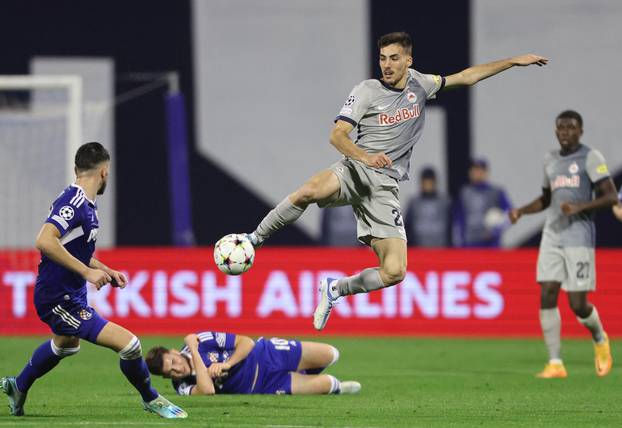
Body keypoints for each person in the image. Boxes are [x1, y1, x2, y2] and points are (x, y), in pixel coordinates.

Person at [244, 31, 547, 331]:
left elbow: (466, 77)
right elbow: (337, 135)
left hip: (386, 186)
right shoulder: (366, 90)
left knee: (394, 272)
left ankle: (336, 289)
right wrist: (365, 157)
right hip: (357, 170)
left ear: (408, 61)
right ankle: (252, 239)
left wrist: (513, 62)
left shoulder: (422, 84)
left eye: (394, 58)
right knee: (309, 190)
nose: (386, 65)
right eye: (382, 58)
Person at [0, 143, 186, 418]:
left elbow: (74, 250)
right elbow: (44, 240)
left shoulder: (88, 206)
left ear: (77, 169)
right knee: (130, 344)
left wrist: (105, 269)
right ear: (104, 172)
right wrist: (88, 273)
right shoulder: (73, 202)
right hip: (58, 298)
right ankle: (151, 398)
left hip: (71, 293)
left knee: (66, 344)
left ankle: (19, 385)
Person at [509, 110, 618, 378]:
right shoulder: (551, 159)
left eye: (571, 128)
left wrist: (581, 206)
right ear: (556, 131)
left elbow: (611, 197)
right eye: (561, 128)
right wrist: (521, 211)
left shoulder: (591, 157)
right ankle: (555, 363)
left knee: (578, 304)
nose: (565, 132)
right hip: (553, 234)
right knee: (547, 293)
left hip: (578, 237)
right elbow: (546, 199)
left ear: (580, 131)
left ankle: (600, 338)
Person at [145, 331, 361, 396]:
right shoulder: (182, 386)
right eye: (171, 371)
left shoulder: (204, 340)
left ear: (173, 352)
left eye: (172, 361)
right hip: (262, 385)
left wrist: (228, 364)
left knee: (332, 354)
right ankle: (336, 388)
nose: (177, 368)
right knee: (330, 384)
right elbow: (207, 390)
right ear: (168, 378)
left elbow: (245, 342)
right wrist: (192, 350)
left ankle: (301, 368)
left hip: (266, 353)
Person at [453, 158, 512, 247]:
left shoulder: (496, 192)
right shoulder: (464, 193)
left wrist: (496, 230)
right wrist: (460, 242)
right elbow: (458, 218)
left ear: (486, 172)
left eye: (481, 170)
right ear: (470, 172)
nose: (477, 173)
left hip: (491, 245)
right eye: (475, 170)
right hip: (470, 245)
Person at [404, 166, 451, 247]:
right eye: (425, 182)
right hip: (418, 248)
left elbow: (450, 226)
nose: (428, 185)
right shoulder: (414, 203)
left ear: (435, 183)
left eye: (430, 182)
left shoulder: (444, 203)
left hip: (441, 249)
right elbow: (407, 227)